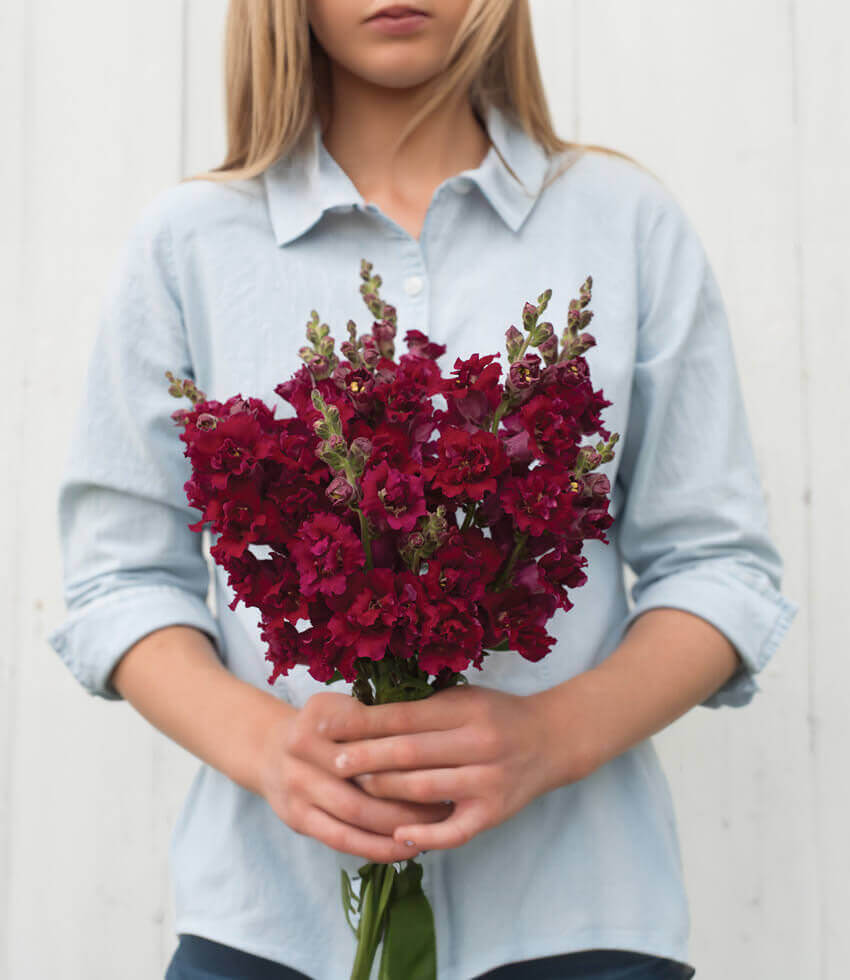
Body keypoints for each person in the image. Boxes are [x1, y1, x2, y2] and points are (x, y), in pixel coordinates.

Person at [47, 1, 799, 978]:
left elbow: (718, 568)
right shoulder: (188, 242)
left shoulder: (623, 223)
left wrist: (548, 735)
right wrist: (273, 749)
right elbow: (118, 579)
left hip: (577, 921)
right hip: (269, 927)